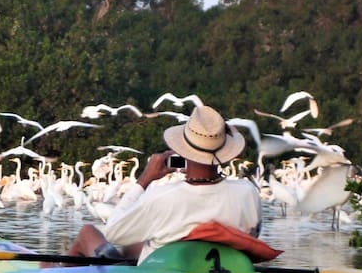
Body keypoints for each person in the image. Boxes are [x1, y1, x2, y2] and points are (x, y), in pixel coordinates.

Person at [68, 105, 262, 264]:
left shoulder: (162, 196)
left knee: (87, 232)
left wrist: (144, 179)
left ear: (183, 152)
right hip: (219, 268)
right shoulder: (248, 192)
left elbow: (113, 232)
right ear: (224, 153)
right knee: (132, 245)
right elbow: (253, 235)